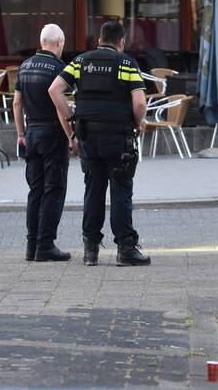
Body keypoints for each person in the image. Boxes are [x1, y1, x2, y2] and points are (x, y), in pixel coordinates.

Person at [48, 20, 150, 267]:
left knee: (93, 191)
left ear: (99, 40)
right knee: (121, 191)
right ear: (121, 42)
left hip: (88, 138)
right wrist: (139, 123)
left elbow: (54, 90)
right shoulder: (127, 63)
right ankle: (125, 249)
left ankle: (90, 251)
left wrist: (72, 122)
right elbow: (139, 103)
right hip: (118, 138)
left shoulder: (81, 61)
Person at [12, 23, 71, 262]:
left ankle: (31, 246)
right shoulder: (59, 68)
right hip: (52, 135)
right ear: (58, 43)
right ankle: (45, 245)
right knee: (54, 189)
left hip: (32, 134)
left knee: (35, 190)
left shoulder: (24, 66)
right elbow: (59, 106)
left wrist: (21, 133)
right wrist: (71, 134)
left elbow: (16, 103)